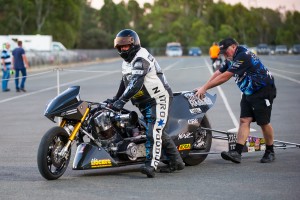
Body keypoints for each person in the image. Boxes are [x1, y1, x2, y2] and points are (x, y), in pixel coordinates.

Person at [107, 29, 184, 178]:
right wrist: (115, 98)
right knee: (158, 131)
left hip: (158, 98)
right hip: (144, 102)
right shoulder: (127, 62)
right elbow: (125, 81)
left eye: (126, 46)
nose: (123, 49)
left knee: (153, 131)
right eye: (120, 47)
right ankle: (177, 162)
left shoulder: (141, 58)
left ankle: (151, 165)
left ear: (134, 44)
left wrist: (121, 101)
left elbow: (136, 83)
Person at [195, 38, 276, 164]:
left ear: (233, 47)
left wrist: (205, 88)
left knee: (263, 122)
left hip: (263, 90)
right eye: (222, 52)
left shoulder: (243, 55)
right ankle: (237, 153)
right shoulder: (231, 58)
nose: (224, 55)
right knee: (244, 120)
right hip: (249, 91)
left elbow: (226, 76)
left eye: (226, 51)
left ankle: (270, 151)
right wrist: (203, 86)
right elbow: (218, 72)